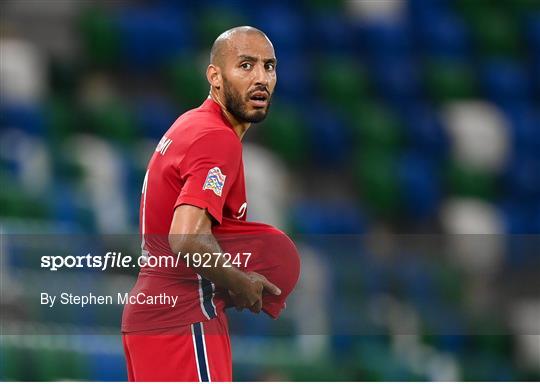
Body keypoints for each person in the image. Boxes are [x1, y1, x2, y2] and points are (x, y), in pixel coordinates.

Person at [121, 26, 300, 382]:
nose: (261, 78)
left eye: (269, 66)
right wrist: (241, 282)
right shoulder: (218, 139)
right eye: (246, 66)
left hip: (155, 313)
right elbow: (186, 239)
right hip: (185, 315)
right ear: (214, 77)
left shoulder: (190, 124)